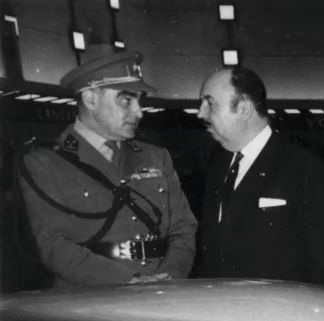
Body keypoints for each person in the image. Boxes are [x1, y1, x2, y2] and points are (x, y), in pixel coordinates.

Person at [17, 52, 196, 288]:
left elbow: (183, 227)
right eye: (126, 100)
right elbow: (52, 244)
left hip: (162, 291)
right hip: (92, 296)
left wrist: (171, 275)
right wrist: (129, 281)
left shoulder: (156, 155)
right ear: (91, 100)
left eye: (139, 101)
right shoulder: (45, 161)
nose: (139, 112)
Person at [195, 65, 324, 289]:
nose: (200, 113)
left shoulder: (303, 166)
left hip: (278, 314)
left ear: (245, 110)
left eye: (210, 104)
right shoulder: (218, 168)